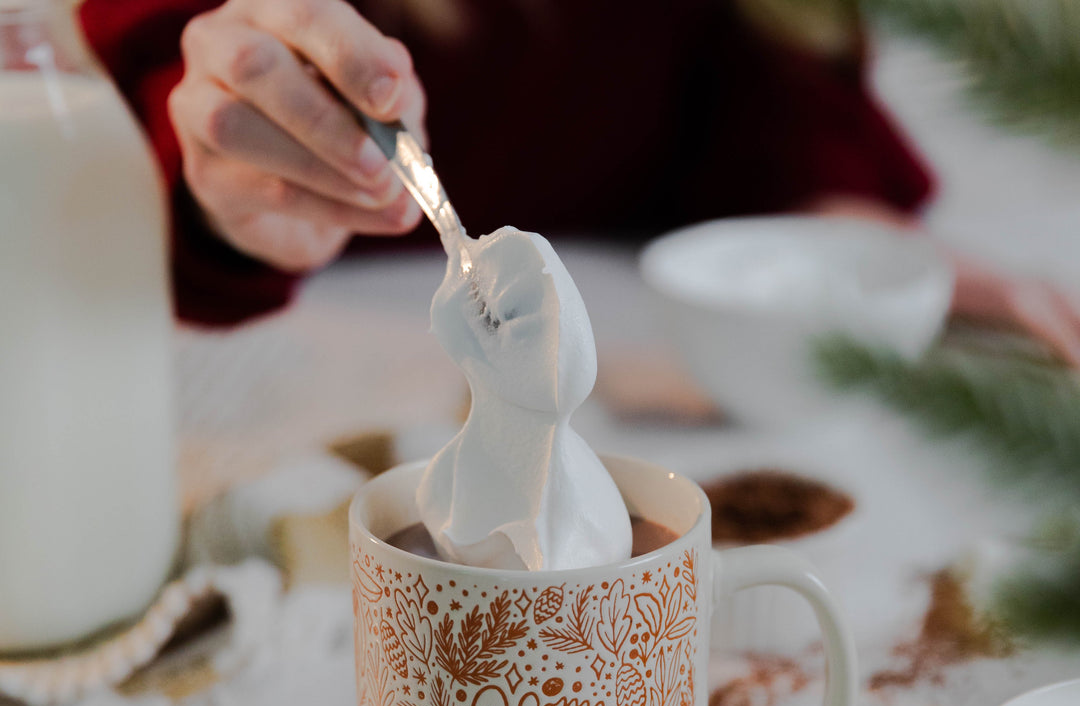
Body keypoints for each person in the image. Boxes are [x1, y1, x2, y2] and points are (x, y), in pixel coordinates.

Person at [79, 0, 1080, 364]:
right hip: (290, 366)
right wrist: (232, 190)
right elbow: (162, 100)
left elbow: (772, 138)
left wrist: (902, 269)